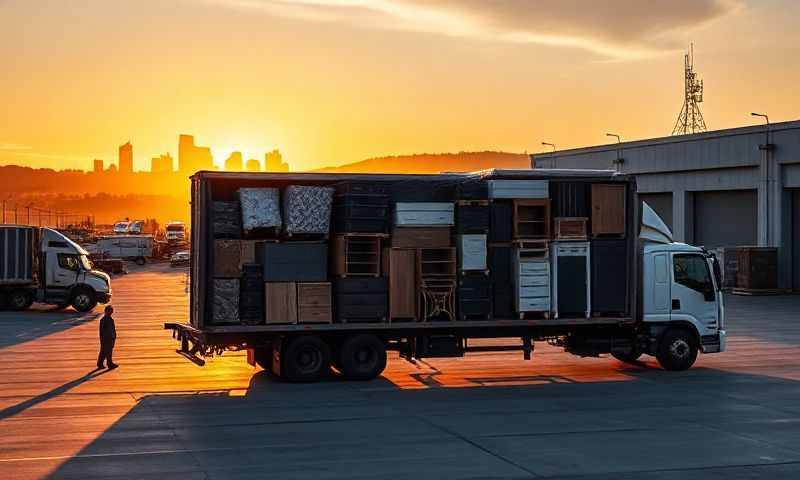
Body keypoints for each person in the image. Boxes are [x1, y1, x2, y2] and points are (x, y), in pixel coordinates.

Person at [97, 305, 118, 370]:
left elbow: (112, 329)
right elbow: (103, 330)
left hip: (109, 338)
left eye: (111, 310)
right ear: (106, 311)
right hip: (106, 338)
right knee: (108, 351)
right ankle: (109, 363)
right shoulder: (104, 320)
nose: (111, 312)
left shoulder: (109, 319)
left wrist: (114, 336)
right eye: (109, 310)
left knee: (103, 351)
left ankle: (100, 363)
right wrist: (108, 337)